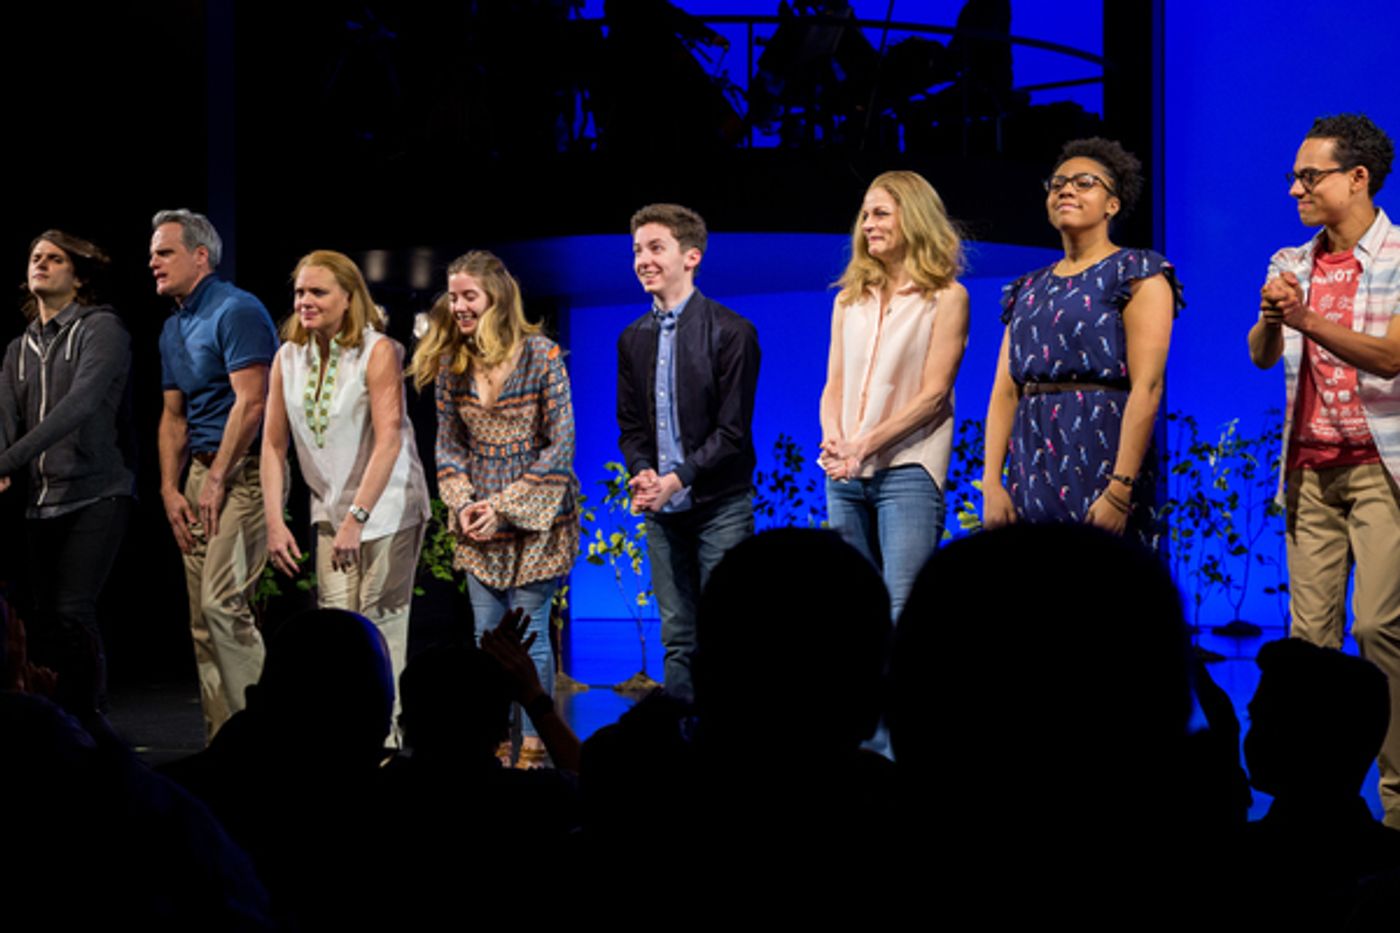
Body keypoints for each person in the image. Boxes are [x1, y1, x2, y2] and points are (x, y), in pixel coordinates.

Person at [1247, 113, 1400, 829]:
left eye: (1310, 176)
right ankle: (1306, 805)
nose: (1296, 190)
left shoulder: (1399, 255)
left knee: (1378, 629)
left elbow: (1393, 357)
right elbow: (1259, 353)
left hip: (1379, 470)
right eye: (1294, 177)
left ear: (1357, 177)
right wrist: (1275, 318)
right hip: (1308, 468)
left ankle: (1396, 802)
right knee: (1308, 643)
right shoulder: (1291, 259)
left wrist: (1305, 320)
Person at [406, 250, 579, 767]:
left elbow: (560, 444)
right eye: (453, 296)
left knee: (530, 634)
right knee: (487, 635)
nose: (457, 306)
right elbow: (448, 447)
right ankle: (493, 739)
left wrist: (504, 507)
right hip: (478, 519)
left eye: (468, 297)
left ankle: (535, 742)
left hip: (535, 514)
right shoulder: (451, 364)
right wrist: (461, 504)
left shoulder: (542, 356)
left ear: (496, 299)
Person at [983, 137, 1182, 544]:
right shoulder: (1027, 287)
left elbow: (1148, 385)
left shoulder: (1136, 271)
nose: (1066, 190)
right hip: (1033, 453)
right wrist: (992, 482)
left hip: (1103, 449)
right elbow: (1005, 390)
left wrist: (1120, 488)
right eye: (1057, 184)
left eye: (1084, 182)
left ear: (1113, 204)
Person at [261, 250, 429, 718]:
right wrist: (276, 522)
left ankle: (386, 737)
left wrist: (358, 517)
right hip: (329, 510)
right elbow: (274, 448)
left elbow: (389, 439)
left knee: (381, 625)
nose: (305, 301)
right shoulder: (286, 359)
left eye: (318, 292)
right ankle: (343, 735)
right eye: (299, 292)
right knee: (336, 630)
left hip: (388, 507)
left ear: (348, 297)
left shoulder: (377, 351)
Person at [616, 203, 760, 703]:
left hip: (720, 506)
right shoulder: (632, 338)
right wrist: (642, 474)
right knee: (677, 638)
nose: (643, 260)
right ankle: (684, 752)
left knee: (727, 634)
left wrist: (675, 479)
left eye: (656, 248)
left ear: (691, 256)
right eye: (637, 249)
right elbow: (631, 428)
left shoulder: (731, 331)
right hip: (663, 512)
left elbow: (732, 433)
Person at [819, 170, 969, 619]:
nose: (868, 225)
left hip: (908, 469)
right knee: (853, 610)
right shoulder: (849, 299)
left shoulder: (946, 297)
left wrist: (864, 444)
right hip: (845, 474)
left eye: (881, 213)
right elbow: (834, 385)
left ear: (915, 218)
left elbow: (934, 395)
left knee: (903, 608)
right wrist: (834, 440)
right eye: (865, 215)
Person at [152, 208, 279, 740]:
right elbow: (173, 417)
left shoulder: (236, 309)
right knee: (202, 624)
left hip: (242, 473)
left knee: (222, 605)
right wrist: (168, 488)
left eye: (165, 252)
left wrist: (222, 474)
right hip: (198, 478)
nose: (152, 263)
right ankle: (222, 742)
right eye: (153, 254)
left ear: (199, 256)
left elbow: (252, 402)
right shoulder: (173, 326)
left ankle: (267, 737)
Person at [0, 230, 133, 720]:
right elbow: (4, 415)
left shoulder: (102, 329)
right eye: (35, 257)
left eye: (55, 259)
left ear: (78, 278)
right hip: (42, 499)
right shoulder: (20, 347)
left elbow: (79, 405)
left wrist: (7, 462)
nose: (41, 264)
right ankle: (59, 718)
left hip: (96, 492)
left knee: (74, 611)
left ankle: (91, 718)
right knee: (44, 619)